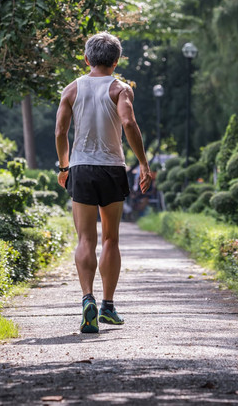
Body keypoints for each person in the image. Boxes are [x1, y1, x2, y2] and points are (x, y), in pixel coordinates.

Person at [55, 32, 151, 334]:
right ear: (116, 60)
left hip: (81, 168)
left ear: (87, 59)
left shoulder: (72, 89)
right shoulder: (120, 89)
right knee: (110, 239)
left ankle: (88, 300)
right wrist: (144, 165)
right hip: (111, 168)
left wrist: (63, 166)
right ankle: (108, 306)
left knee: (85, 239)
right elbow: (129, 123)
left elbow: (60, 131)